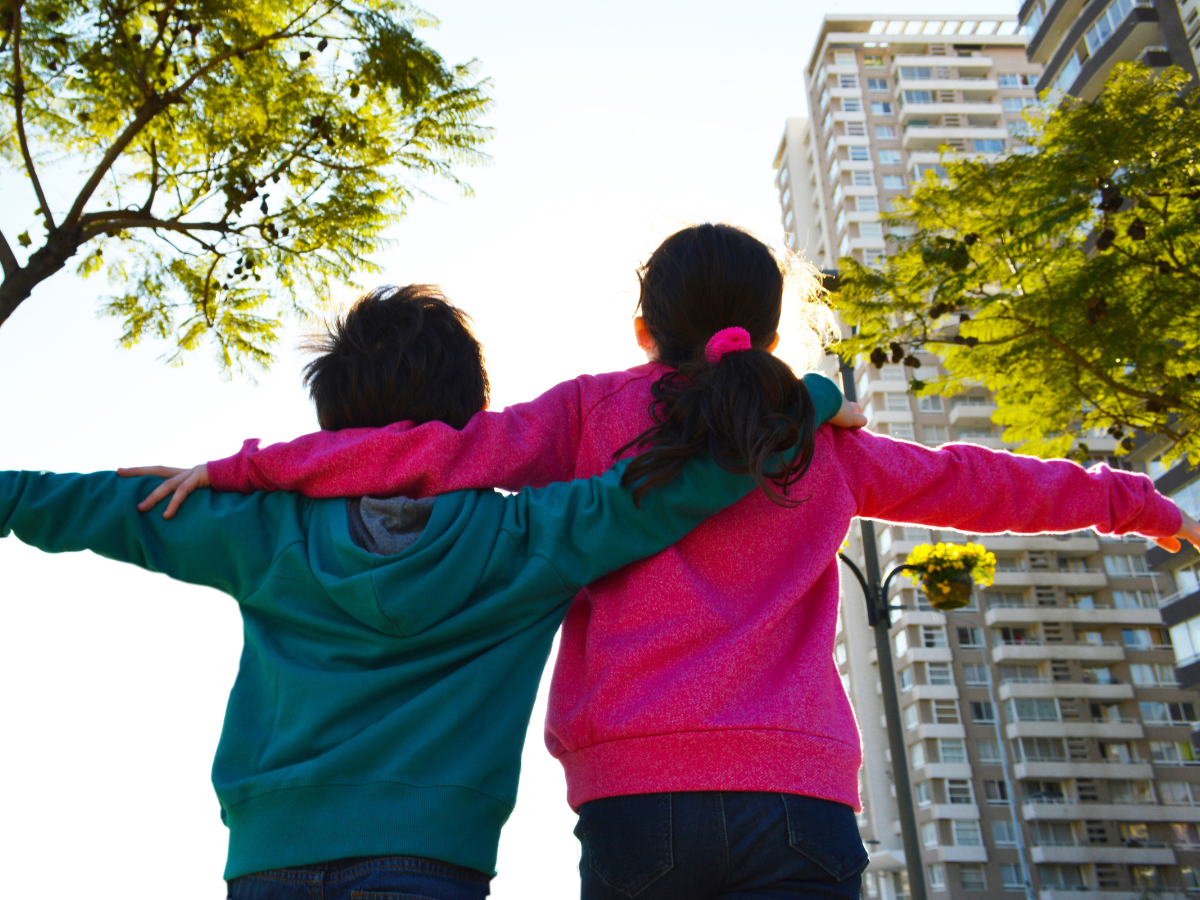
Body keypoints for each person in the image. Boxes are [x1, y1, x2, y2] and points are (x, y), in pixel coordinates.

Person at [133, 226, 1199, 900]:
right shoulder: (814, 439)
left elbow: (444, 453)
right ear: (767, 324)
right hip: (800, 800)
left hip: (637, 801)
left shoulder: (596, 408)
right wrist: (1141, 508)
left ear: (646, 329)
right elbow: (985, 483)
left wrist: (247, 469)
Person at [4, 283, 851, 900]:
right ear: (473, 421)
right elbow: (680, 486)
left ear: (330, 422)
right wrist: (802, 400)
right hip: (432, 864)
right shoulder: (530, 538)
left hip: (267, 860)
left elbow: (67, 502)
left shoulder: (252, 528)